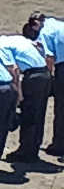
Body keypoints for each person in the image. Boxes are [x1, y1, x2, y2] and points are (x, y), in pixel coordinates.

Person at [0, 33, 51, 163]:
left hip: (33, 78)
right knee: (38, 115)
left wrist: (18, 95)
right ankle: (32, 149)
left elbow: (14, 70)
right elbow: (38, 47)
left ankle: (26, 152)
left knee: (29, 115)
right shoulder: (15, 39)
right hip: (44, 74)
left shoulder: (0, 47)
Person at [24, 13, 64, 156]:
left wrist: (48, 78)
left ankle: (60, 145)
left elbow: (49, 57)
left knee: (61, 108)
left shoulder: (45, 32)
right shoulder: (55, 22)